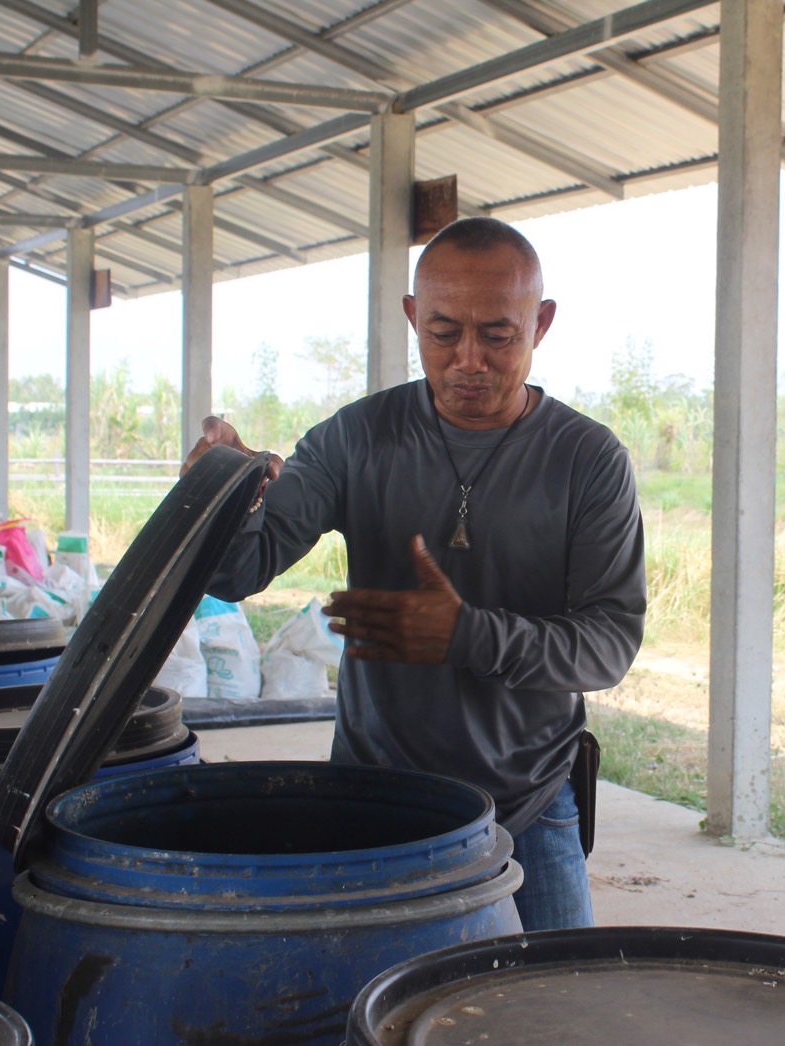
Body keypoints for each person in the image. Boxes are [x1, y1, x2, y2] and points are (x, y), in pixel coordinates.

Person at [183, 217, 647, 931]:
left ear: (541, 322)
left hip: (530, 800)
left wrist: (468, 636)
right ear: (412, 317)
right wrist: (223, 498)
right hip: (375, 800)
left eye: (498, 335)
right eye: (442, 333)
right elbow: (241, 570)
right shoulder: (354, 438)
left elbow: (608, 644)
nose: (469, 360)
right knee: (379, 1010)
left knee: (557, 1007)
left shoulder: (587, 461)